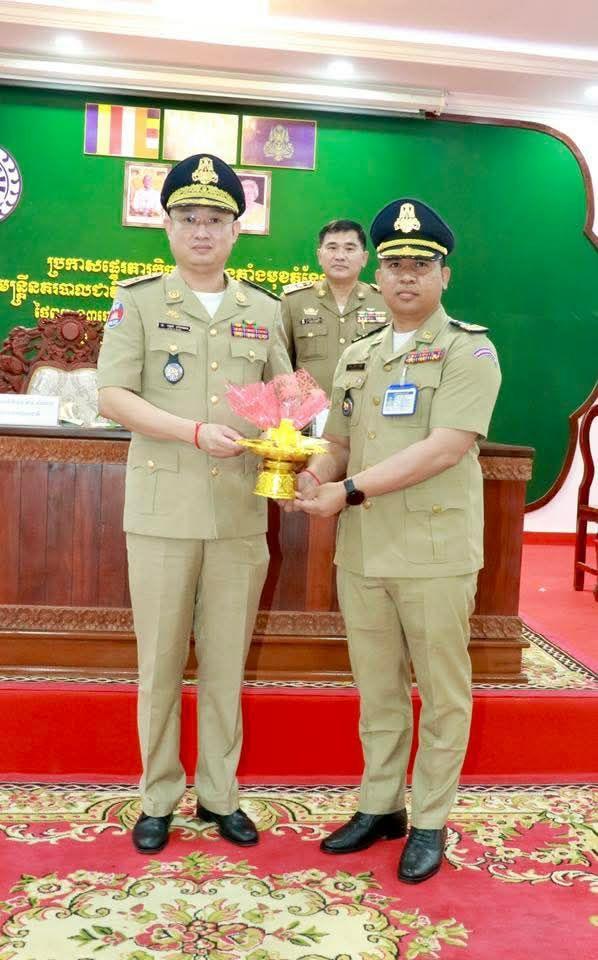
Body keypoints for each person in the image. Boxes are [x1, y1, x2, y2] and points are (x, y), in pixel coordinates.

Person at [289, 198, 501, 883]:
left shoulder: (470, 349)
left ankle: (431, 819)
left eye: (421, 265)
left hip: (433, 553)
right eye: (395, 265)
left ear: (445, 275)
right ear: (378, 276)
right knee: (377, 690)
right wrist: (311, 475)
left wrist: (347, 491)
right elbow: (339, 442)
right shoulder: (359, 355)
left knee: (442, 694)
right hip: (364, 552)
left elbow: (445, 448)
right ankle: (381, 806)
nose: (406, 276)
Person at [97, 153, 291, 854]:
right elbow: (112, 395)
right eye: (188, 218)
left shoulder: (262, 310)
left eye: (215, 219)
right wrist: (193, 432)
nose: (202, 231)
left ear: (237, 231)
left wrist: (300, 434)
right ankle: (157, 797)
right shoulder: (139, 301)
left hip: (239, 513)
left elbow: (285, 401)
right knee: (159, 664)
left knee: (226, 663)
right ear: (168, 227)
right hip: (162, 512)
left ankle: (219, 795)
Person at [280, 219, 388, 397]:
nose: (340, 256)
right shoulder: (293, 302)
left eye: (349, 249)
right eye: (332, 248)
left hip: (366, 411)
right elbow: (280, 366)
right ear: (319, 255)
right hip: (309, 412)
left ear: (364, 258)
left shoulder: (384, 302)